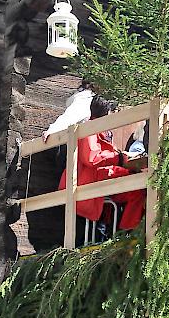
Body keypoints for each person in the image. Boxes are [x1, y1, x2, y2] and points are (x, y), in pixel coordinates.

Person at [57, 94, 146, 239]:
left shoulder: (101, 131)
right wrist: (119, 158)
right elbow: (91, 158)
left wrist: (126, 163)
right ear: (108, 113)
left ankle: (128, 232)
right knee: (136, 187)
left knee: (138, 189)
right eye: (114, 112)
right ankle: (126, 234)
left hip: (98, 180)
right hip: (87, 181)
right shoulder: (89, 129)